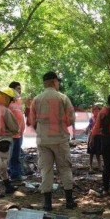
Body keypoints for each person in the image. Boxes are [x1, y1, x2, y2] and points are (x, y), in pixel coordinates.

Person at [29, 71, 76, 211]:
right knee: (65, 168)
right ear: (55, 82)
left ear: (44, 83)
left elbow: (31, 121)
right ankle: (69, 201)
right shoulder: (63, 98)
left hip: (43, 140)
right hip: (60, 139)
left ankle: (48, 203)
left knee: (46, 170)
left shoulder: (36, 100)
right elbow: (71, 119)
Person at [7, 81, 25, 181]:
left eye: (20, 88)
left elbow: (20, 116)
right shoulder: (7, 101)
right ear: (12, 90)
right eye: (18, 88)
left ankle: (15, 172)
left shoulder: (19, 101)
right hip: (11, 133)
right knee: (12, 154)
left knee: (16, 153)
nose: (20, 90)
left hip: (20, 133)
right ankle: (15, 174)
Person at [85, 103, 103, 171]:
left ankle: (100, 166)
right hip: (92, 136)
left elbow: (102, 128)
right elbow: (90, 128)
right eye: (93, 110)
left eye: (96, 110)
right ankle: (90, 166)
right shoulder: (91, 119)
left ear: (99, 110)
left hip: (99, 136)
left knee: (98, 152)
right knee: (91, 153)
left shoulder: (101, 119)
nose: (94, 111)